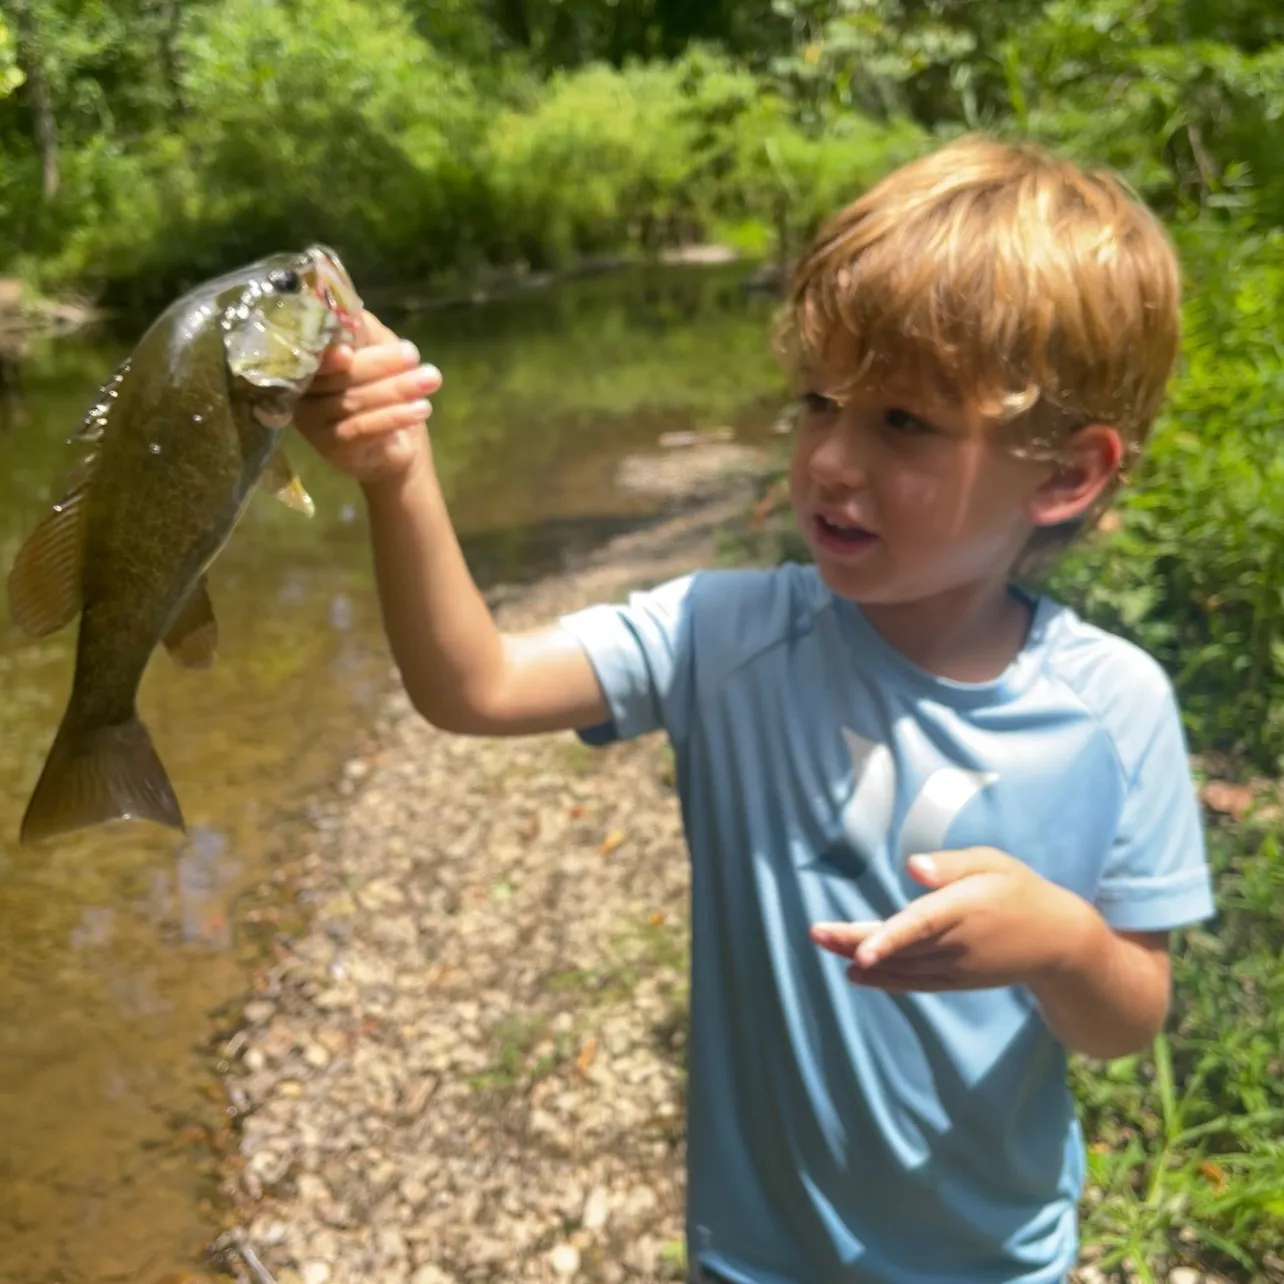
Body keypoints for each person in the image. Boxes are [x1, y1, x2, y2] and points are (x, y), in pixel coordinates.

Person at [292, 134, 1216, 1284]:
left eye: (906, 424)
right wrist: (397, 472)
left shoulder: (1115, 707)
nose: (830, 457)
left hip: (996, 1255)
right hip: (758, 1253)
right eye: (820, 401)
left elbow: (1127, 1020)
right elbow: (472, 686)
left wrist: (1064, 943)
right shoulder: (721, 636)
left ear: (1066, 475)